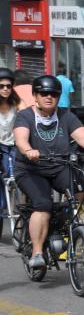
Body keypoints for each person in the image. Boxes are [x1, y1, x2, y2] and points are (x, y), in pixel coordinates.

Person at [13, 76, 84, 269]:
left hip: (59, 166)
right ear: (35, 95)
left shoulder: (66, 116)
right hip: (31, 170)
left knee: (79, 185)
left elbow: (83, 137)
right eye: (44, 93)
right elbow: (21, 138)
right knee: (43, 204)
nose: (49, 97)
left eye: (54, 94)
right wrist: (28, 150)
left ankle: (66, 220)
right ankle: (37, 252)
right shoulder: (25, 116)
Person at [0, 68, 20, 217]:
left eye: (8, 86)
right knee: (4, 172)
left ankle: (22, 207)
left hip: (14, 144)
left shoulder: (16, 101)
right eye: (1, 86)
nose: (5, 89)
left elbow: (28, 113)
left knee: (19, 174)